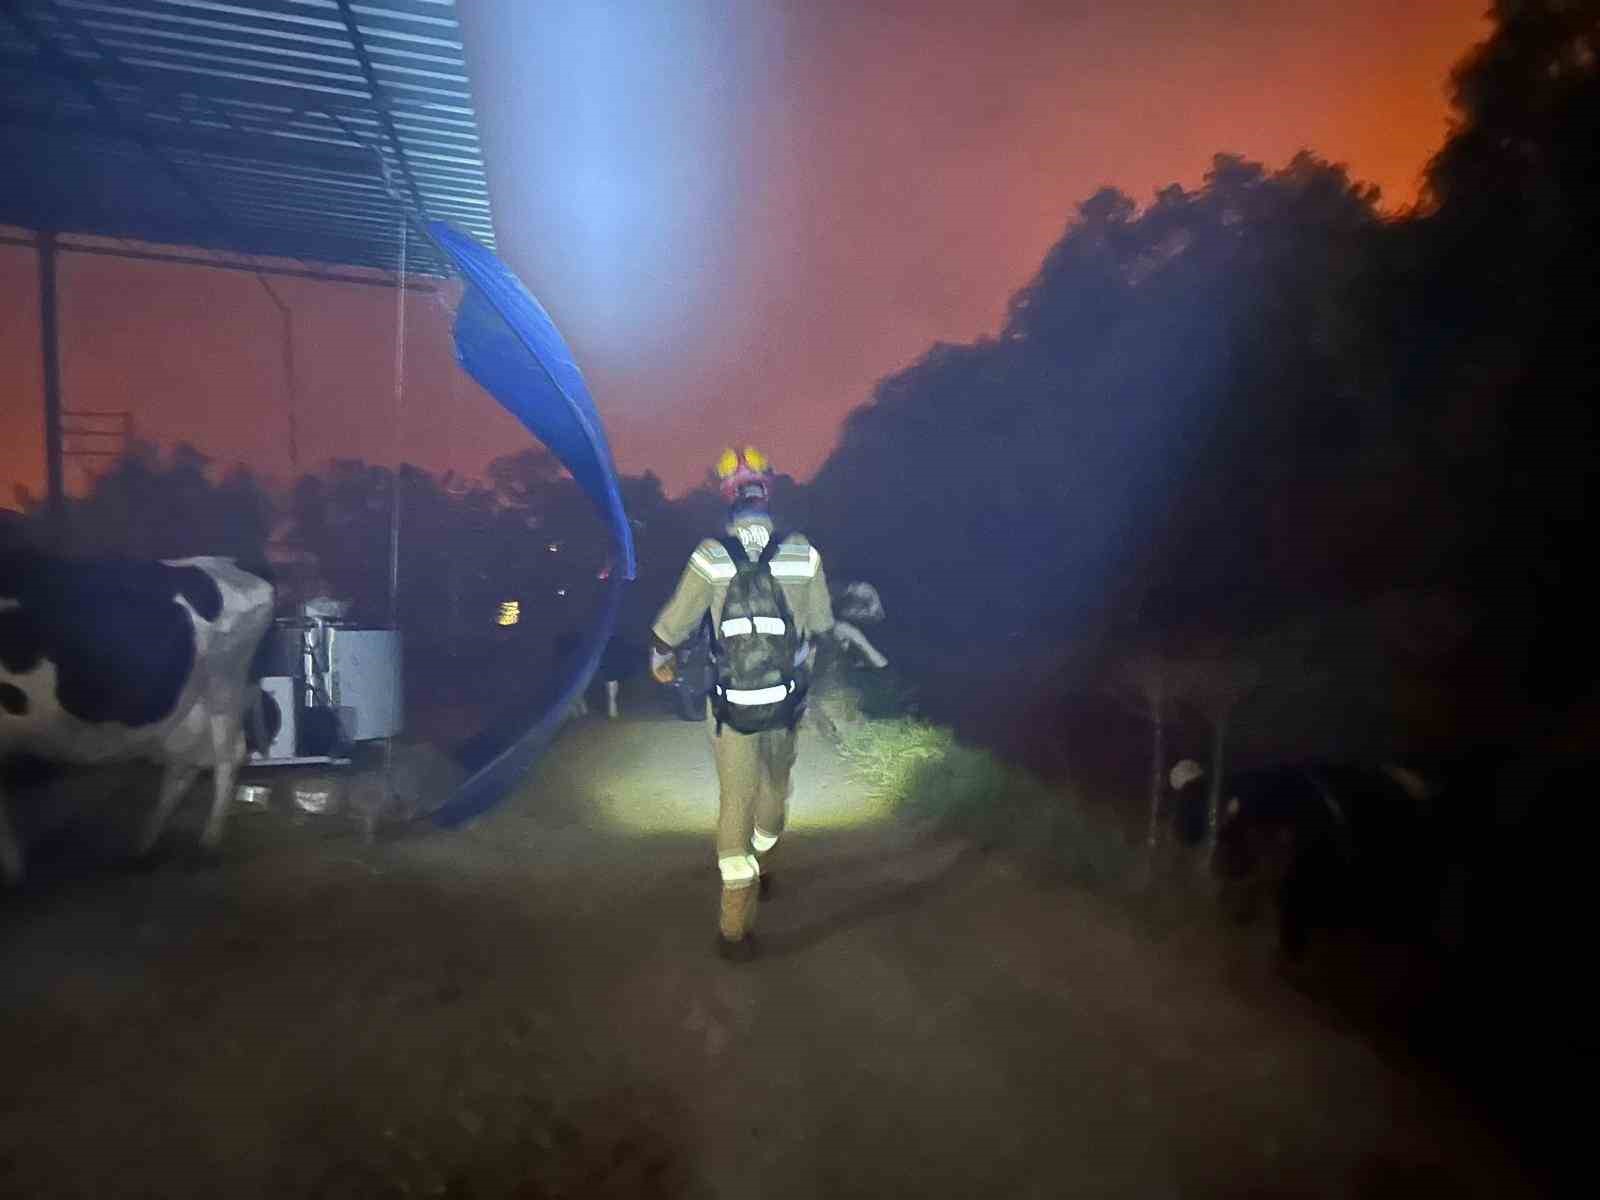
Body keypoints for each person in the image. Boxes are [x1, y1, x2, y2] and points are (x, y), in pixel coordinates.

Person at [649, 446, 835, 960]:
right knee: (774, 790)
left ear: (727, 503)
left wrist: (661, 658)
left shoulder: (710, 557)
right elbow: (821, 627)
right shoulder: (802, 553)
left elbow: (673, 625)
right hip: (785, 702)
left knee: (735, 797)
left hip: (731, 705)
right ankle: (765, 856)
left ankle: (735, 928)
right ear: (769, 499)